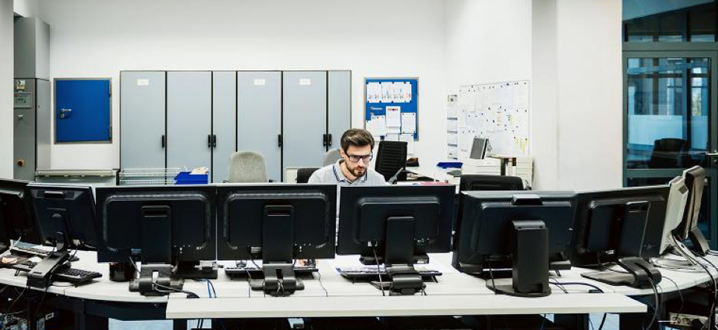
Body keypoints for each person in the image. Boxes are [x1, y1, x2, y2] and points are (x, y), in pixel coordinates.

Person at [308, 128, 386, 186]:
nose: (361, 164)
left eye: (366, 157)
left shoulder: (378, 180)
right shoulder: (320, 178)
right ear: (342, 153)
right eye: (355, 157)